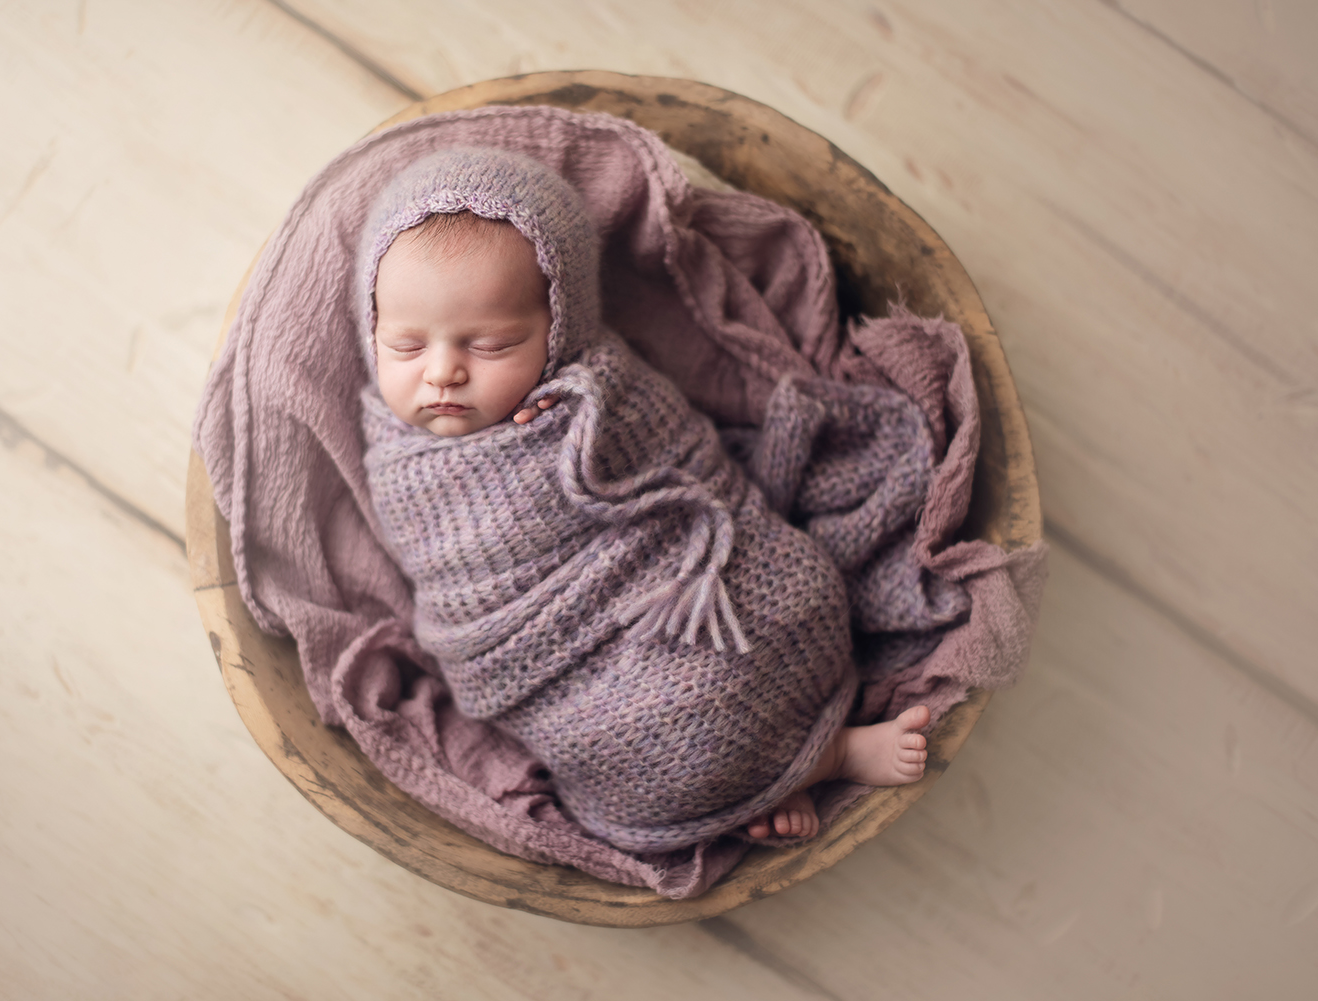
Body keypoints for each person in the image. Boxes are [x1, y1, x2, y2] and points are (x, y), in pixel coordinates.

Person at [358, 148, 939, 850]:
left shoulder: (604, 388)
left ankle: (829, 752)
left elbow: (691, 466)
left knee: (795, 600)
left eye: (490, 343)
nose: (443, 370)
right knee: (638, 733)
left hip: (687, 590)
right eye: (407, 345)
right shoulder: (396, 460)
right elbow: (453, 588)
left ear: (559, 327)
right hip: (556, 666)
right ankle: (805, 765)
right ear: (372, 335)